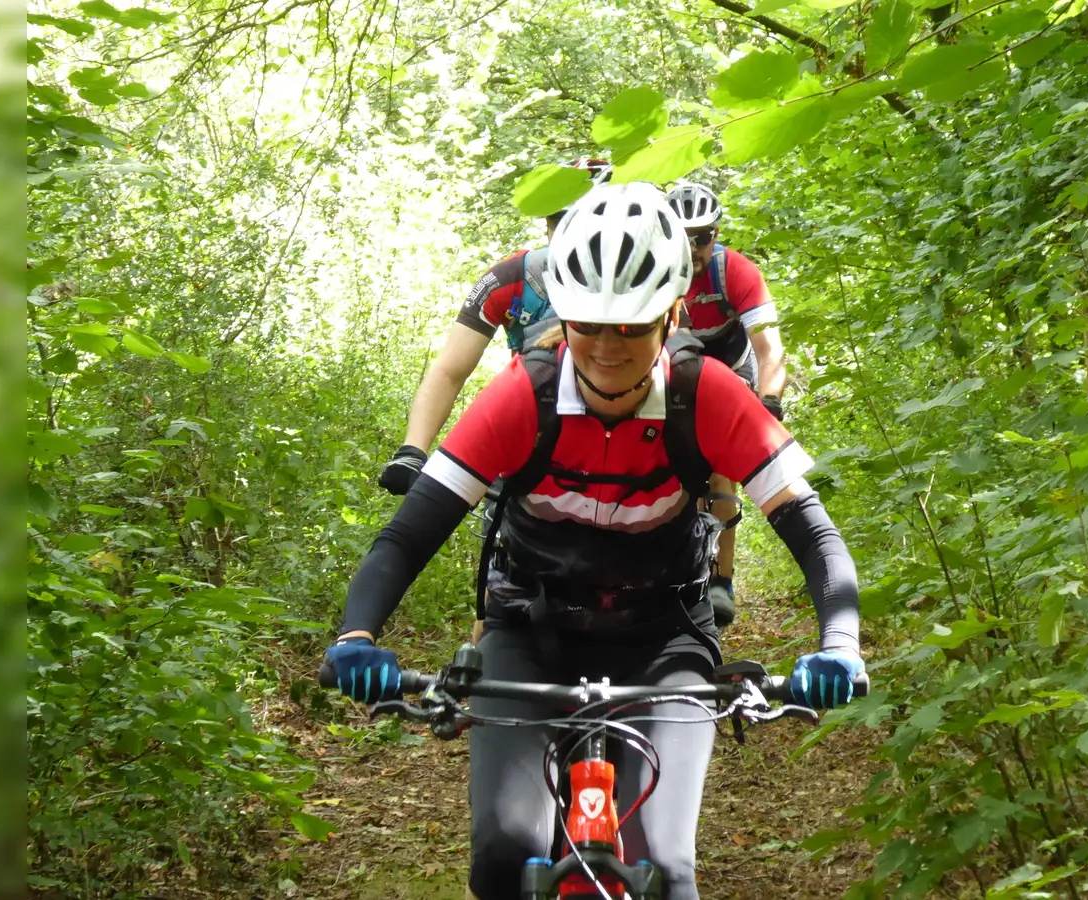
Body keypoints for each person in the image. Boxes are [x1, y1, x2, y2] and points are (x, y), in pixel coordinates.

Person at [323, 182, 863, 900]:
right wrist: (358, 634)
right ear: (563, 317)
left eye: (633, 327)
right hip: (529, 627)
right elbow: (409, 534)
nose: (607, 349)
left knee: (666, 869)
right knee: (504, 855)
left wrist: (840, 645)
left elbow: (815, 535)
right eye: (588, 325)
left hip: (664, 636)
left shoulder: (709, 396)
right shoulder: (524, 393)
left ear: (672, 315)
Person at [376, 157, 613, 496]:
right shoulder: (513, 278)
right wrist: (413, 451)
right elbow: (450, 370)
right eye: (562, 219)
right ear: (547, 221)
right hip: (534, 434)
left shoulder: (652, 279)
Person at [663, 181, 788, 630]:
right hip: (680, 368)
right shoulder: (654, 270)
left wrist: (769, 404)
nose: (694, 247)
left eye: (704, 236)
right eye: (683, 236)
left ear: (716, 235)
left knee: (720, 469)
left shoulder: (736, 271)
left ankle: (722, 581)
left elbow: (771, 350)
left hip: (733, 368)